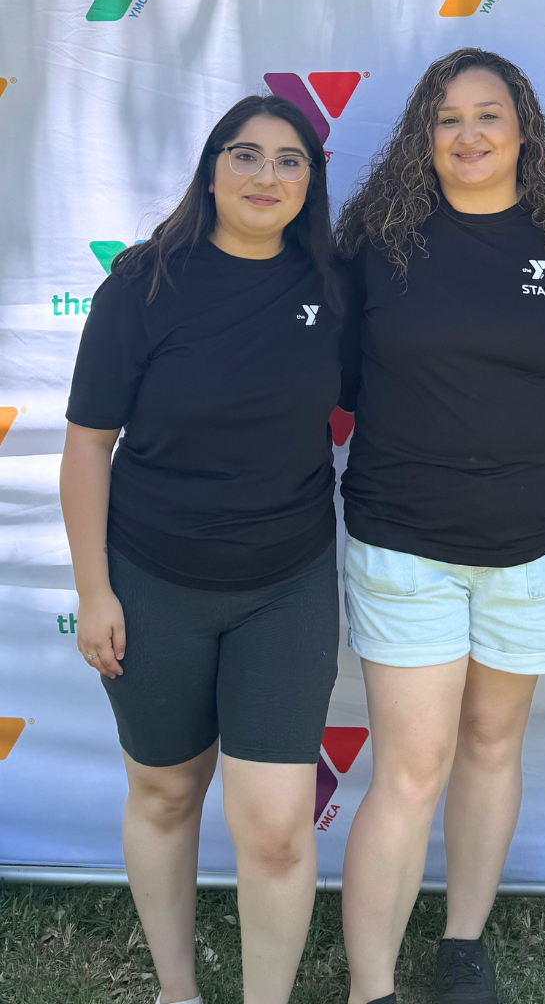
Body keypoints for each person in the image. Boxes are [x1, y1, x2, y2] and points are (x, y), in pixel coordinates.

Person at [333, 47, 545, 1004]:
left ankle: (462, 944)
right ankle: (371, 986)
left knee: (495, 745)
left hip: (534, 538)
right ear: (424, 133)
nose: (468, 134)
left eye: (488, 114)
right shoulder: (377, 236)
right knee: (412, 770)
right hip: (402, 539)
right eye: (447, 118)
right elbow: (325, 372)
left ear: (524, 129)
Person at [60, 95, 342, 1004]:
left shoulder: (332, 287)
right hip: (153, 581)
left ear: (311, 180)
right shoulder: (144, 283)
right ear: (211, 167)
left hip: (285, 585)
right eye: (248, 155)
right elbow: (86, 446)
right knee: (168, 796)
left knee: (273, 830)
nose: (268, 176)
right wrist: (95, 591)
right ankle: (175, 992)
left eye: (290, 160)